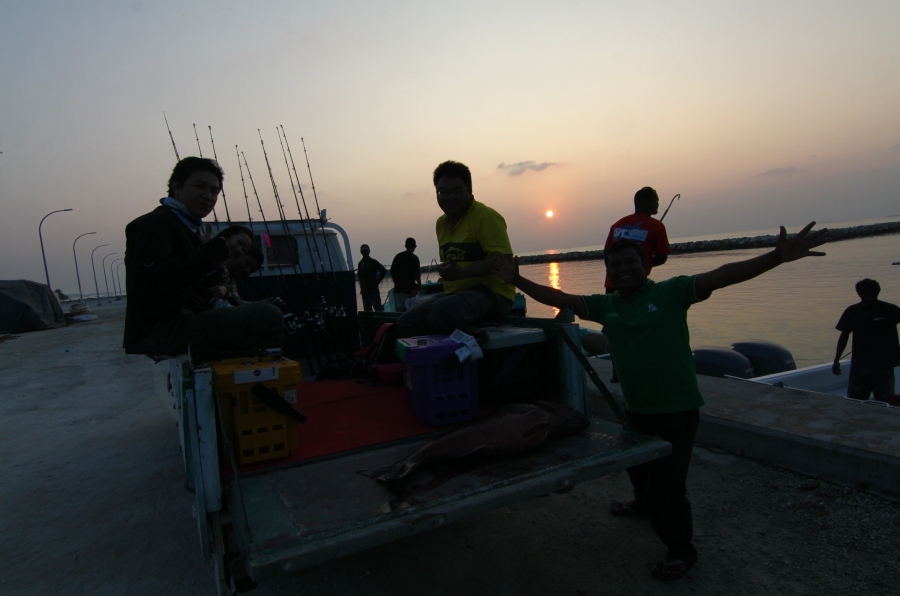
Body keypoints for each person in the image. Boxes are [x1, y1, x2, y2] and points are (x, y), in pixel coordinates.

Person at [492, 222, 830, 581]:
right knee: (637, 468)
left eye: (630, 263)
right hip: (637, 410)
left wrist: (776, 257)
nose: (623, 269)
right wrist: (517, 280)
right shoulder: (606, 307)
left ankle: (682, 551)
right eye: (615, 265)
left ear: (646, 265)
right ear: (608, 272)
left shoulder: (673, 292)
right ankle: (641, 504)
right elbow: (558, 299)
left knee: (668, 490)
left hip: (678, 410)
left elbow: (722, 275)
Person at [123, 157, 283, 356]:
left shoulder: (186, 228)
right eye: (200, 186)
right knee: (267, 316)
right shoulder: (155, 224)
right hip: (161, 330)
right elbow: (148, 282)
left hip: (183, 320)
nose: (208, 196)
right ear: (177, 187)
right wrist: (208, 255)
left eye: (214, 191)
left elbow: (191, 283)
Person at [396, 160, 515, 337]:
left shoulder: (485, 216)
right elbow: (456, 262)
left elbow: (503, 261)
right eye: (442, 192)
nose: (449, 197)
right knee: (405, 323)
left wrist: (461, 273)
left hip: (494, 295)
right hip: (456, 295)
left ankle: (476, 344)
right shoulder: (441, 223)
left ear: (470, 190)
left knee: (441, 312)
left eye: (456, 191)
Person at [604, 187, 670, 382]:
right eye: (656, 200)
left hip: (612, 284)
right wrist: (645, 264)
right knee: (641, 327)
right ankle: (643, 370)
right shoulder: (657, 227)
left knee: (616, 329)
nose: (658, 204)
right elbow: (663, 257)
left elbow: (607, 254)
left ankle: (618, 374)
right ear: (646, 202)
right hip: (637, 286)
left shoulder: (617, 225)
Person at [832, 278, 900, 402]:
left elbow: (843, 336)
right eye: (865, 294)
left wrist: (836, 360)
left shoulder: (891, 310)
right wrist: (836, 359)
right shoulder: (852, 311)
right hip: (861, 365)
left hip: (883, 365)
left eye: (871, 294)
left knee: (885, 402)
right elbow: (844, 336)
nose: (868, 297)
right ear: (859, 294)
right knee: (856, 401)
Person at [390, 237, 422, 312]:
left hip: (399, 290)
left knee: (401, 311)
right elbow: (417, 274)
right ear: (415, 246)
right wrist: (419, 285)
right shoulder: (415, 258)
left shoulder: (397, 257)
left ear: (405, 246)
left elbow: (392, 272)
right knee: (411, 311)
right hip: (410, 290)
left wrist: (396, 283)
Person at [358, 244, 387, 312]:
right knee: (367, 311)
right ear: (361, 252)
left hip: (373, 290)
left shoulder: (373, 262)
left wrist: (377, 282)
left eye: (366, 251)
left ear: (369, 251)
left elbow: (383, 270)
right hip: (364, 291)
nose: (364, 253)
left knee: (378, 309)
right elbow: (360, 276)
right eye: (363, 251)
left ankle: (381, 321)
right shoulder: (360, 264)